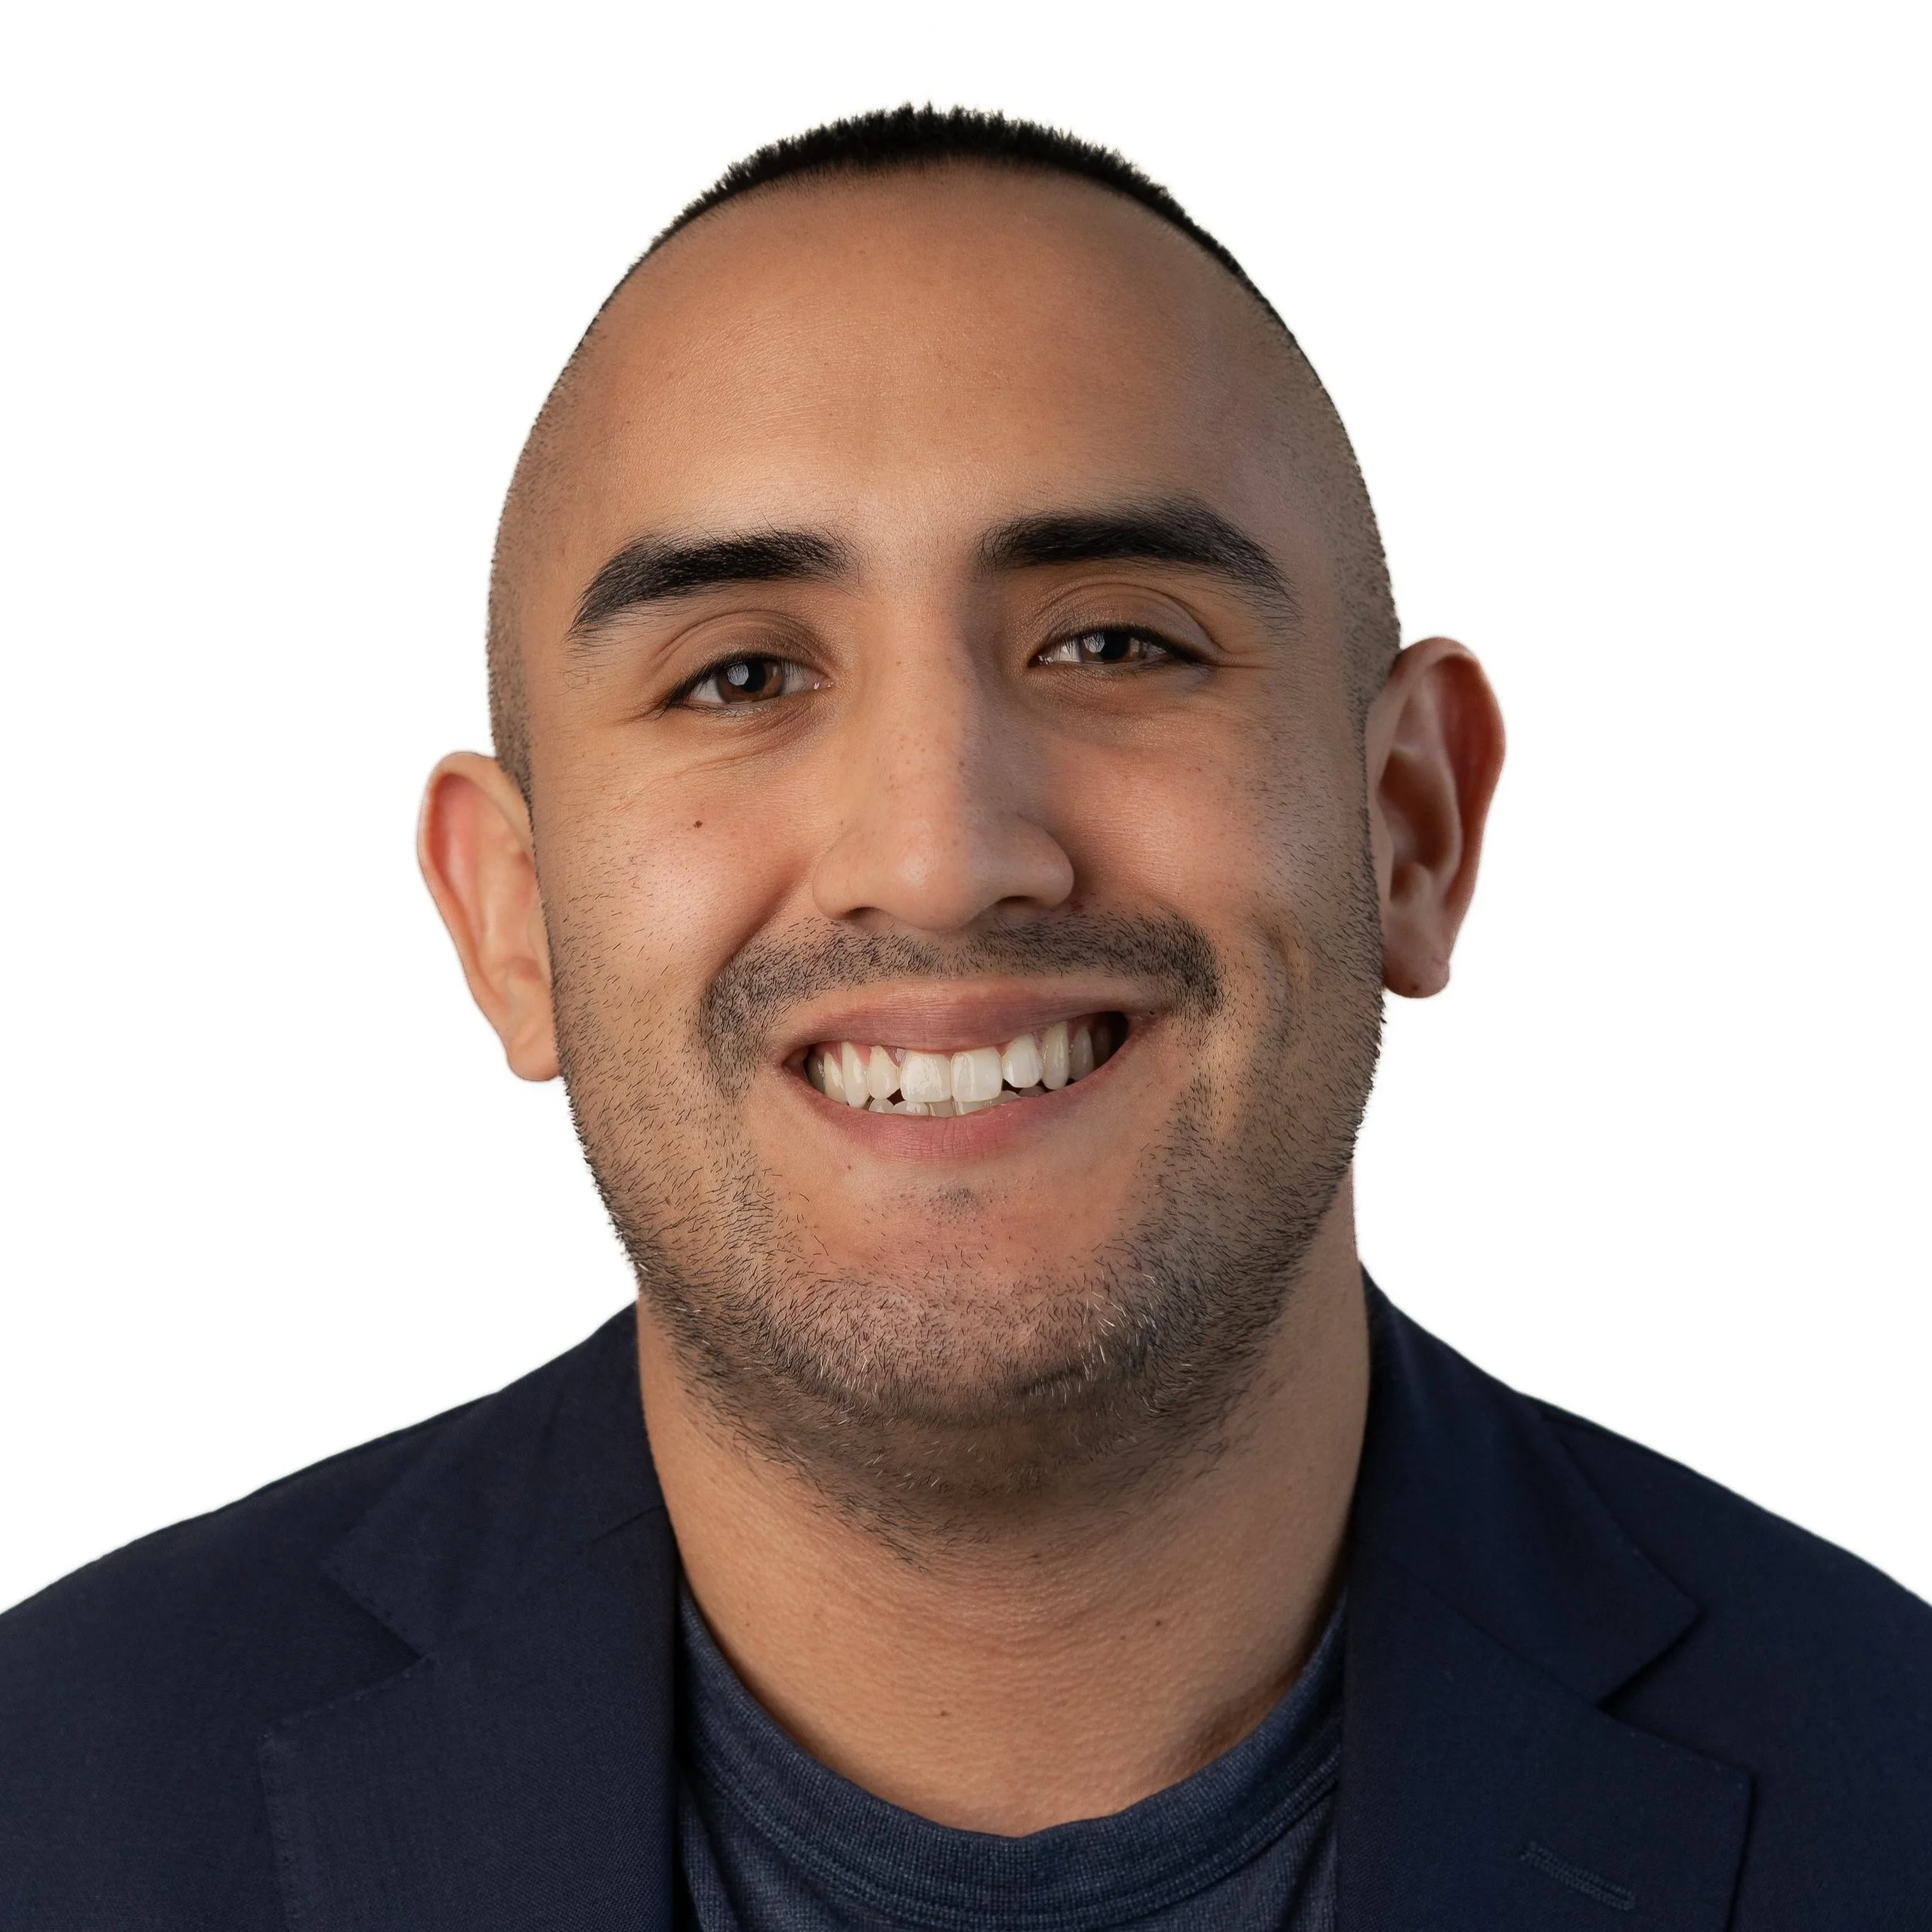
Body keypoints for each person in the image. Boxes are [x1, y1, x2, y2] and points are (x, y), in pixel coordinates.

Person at [2, 105, 1926, 1931]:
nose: (935, 853)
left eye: (1113, 642)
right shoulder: (58, 1804)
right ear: (510, 919)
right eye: (740, 671)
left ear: (1406, 825)